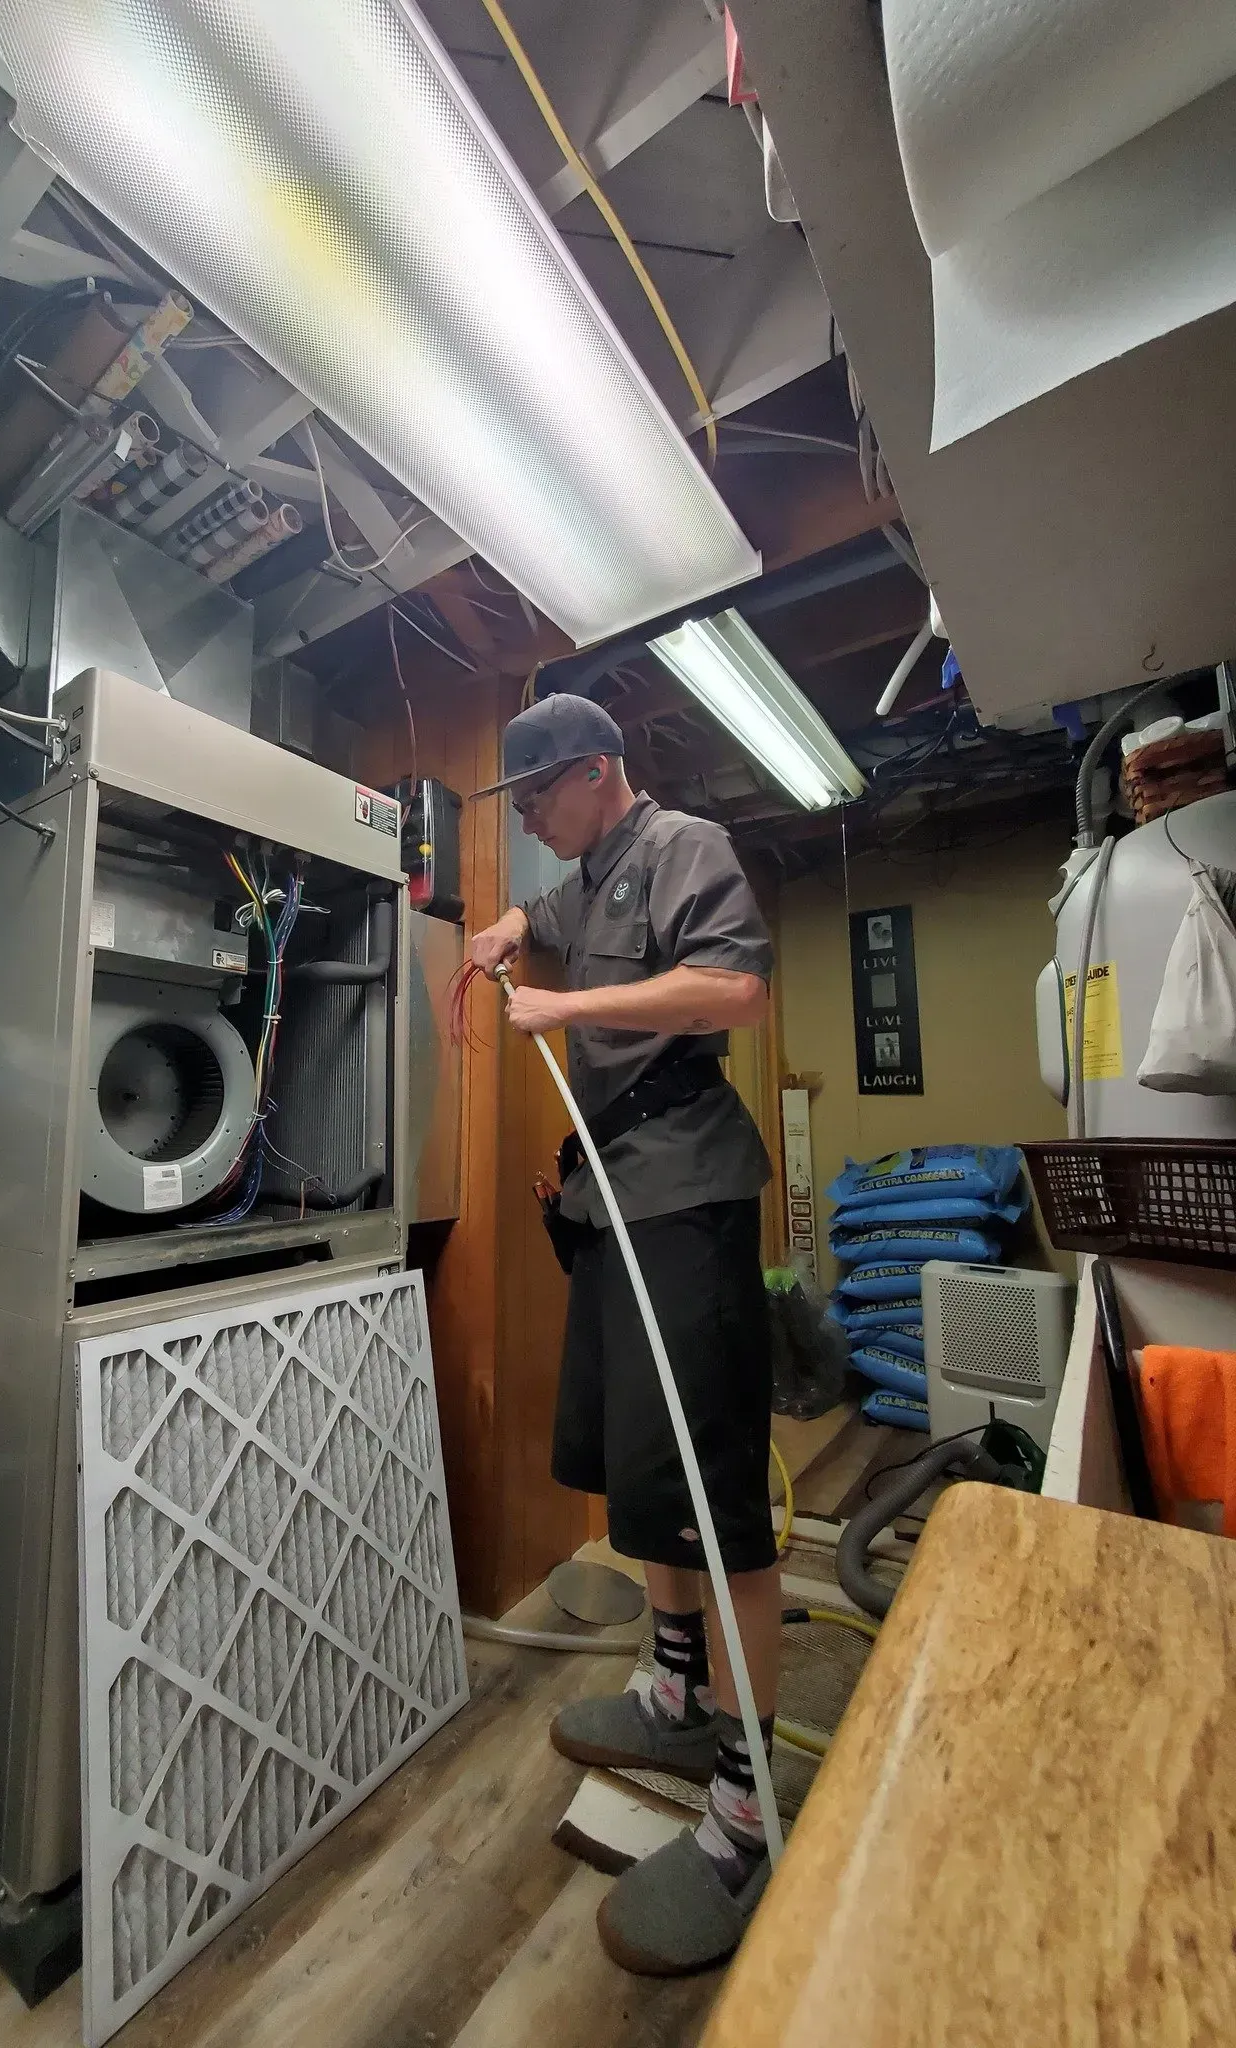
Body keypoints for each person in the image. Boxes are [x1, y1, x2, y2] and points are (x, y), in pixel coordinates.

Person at [469, 692, 779, 1975]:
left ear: (597, 771)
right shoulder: (588, 875)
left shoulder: (684, 844)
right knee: (643, 1475)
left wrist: (564, 1012)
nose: (531, 821)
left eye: (539, 796)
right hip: (609, 1199)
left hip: (686, 1196)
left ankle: (750, 1802)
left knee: (711, 1494)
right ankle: (675, 1688)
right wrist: (510, 924)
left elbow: (736, 988)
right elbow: (548, 916)